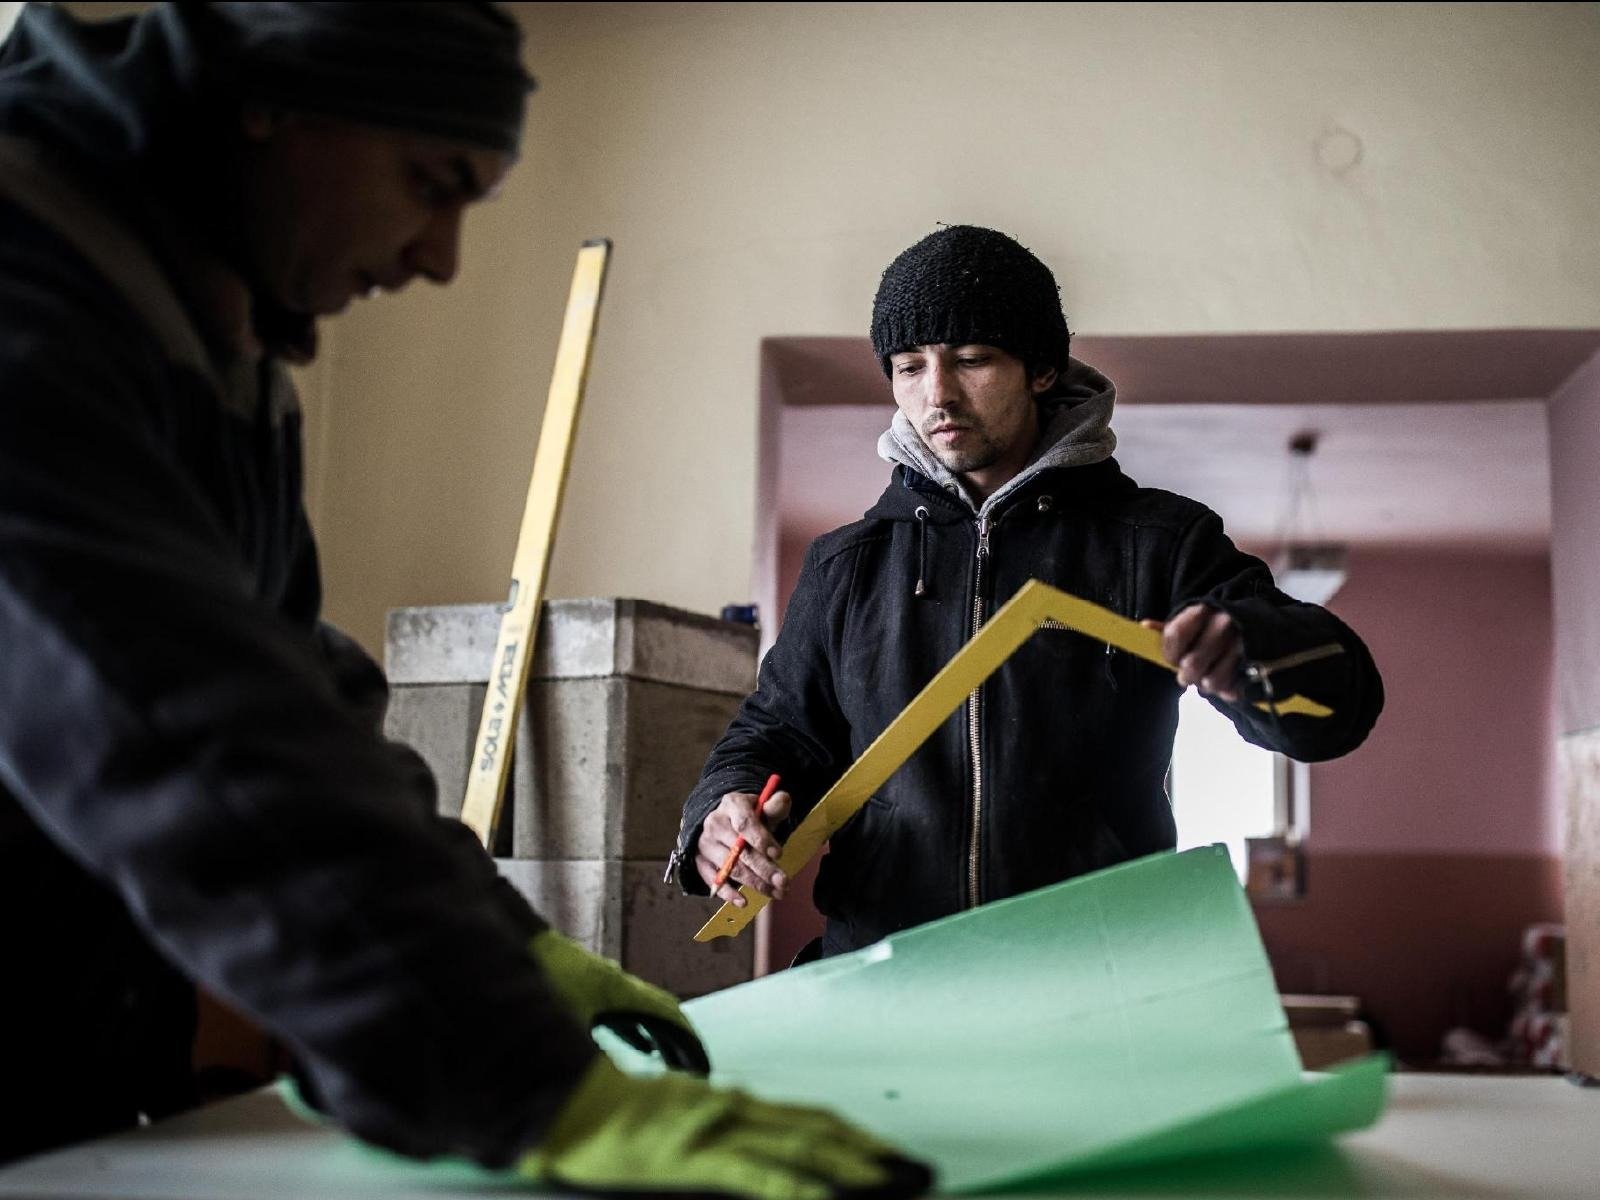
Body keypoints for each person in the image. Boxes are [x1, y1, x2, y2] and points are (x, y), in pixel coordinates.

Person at [0, 4, 930, 1196]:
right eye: (431, 183)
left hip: (71, 1030)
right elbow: (184, 725)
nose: (438, 257)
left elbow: (299, 693)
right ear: (272, 105)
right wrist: (522, 1083)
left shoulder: (219, 342)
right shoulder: (30, 295)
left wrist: (501, 940)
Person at [672, 224, 1385, 960]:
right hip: (888, 977)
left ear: (1042, 369)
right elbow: (776, 733)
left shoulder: (1158, 541)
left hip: (1095, 979)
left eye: (972, 359)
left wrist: (1253, 651)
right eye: (909, 366)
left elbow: (1338, 711)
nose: (937, 394)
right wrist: (721, 816)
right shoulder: (845, 567)